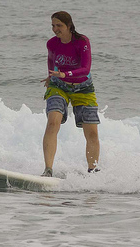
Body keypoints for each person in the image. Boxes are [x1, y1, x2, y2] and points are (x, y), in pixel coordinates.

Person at [41, 11, 100, 178]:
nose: (55, 29)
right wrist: (50, 75)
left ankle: (93, 172)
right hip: (58, 86)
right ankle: (48, 170)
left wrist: (65, 74)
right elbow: (51, 60)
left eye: (59, 25)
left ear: (69, 25)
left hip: (83, 88)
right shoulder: (52, 43)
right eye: (53, 25)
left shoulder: (82, 42)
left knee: (92, 133)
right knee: (53, 122)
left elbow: (85, 69)